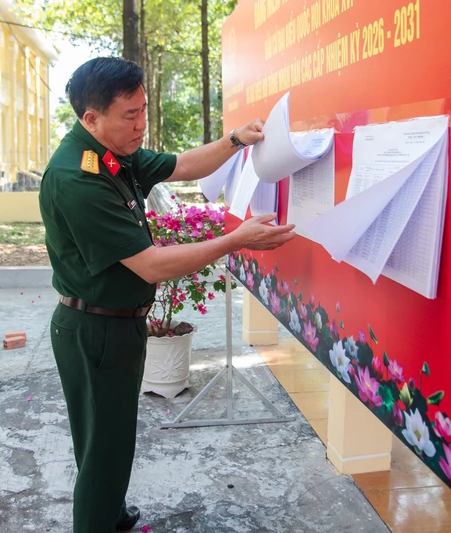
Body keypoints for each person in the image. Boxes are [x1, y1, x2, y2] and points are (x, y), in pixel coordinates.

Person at [38, 57, 296, 532]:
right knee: (103, 447)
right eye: (130, 115)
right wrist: (235, 240)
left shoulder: (113, 151)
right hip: (96, 329)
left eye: (143, 110)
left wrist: (236, 140)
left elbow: (182, 165)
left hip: (115, 322)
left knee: (110, 438)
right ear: (91, 117)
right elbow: (151, 263)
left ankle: (111, 514)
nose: (141, 124)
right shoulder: (78, 178)